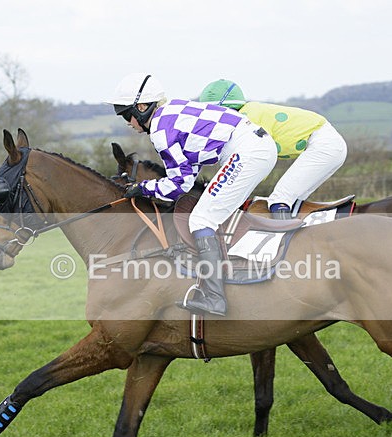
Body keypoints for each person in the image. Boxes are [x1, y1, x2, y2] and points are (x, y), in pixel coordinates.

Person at [107, 73, 277, 317]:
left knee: (201, 219)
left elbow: (178, 185)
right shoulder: (172, 111)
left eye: (126, 115)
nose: (128, 123)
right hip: (255, 147)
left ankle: (214, 297)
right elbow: (188, 172)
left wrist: (143, 188)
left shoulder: (161, 130)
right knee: (212, 209)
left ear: (142, 108)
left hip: (247, 152)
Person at [199, 79, 347, 219]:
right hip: (328, 143)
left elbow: (246, 165)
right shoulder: (249, 112)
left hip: (324, 144)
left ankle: (283, 234)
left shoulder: (246, 119)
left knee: (279, 200)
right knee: (294, 202)